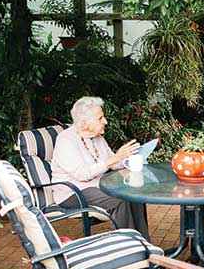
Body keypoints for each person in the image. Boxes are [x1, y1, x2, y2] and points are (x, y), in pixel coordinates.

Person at [50, 96, 151, 239]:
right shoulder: (66, 140)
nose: (105, 121)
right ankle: (128, 245)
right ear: (84, 122)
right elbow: (82, 174)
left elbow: (113, 162)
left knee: (134, 194)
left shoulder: (97, 137)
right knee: (120, 200)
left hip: (98, 186)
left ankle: (143, 242)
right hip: (73, 192)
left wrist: (128, 158)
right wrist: (115, 158)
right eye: (100, 118)